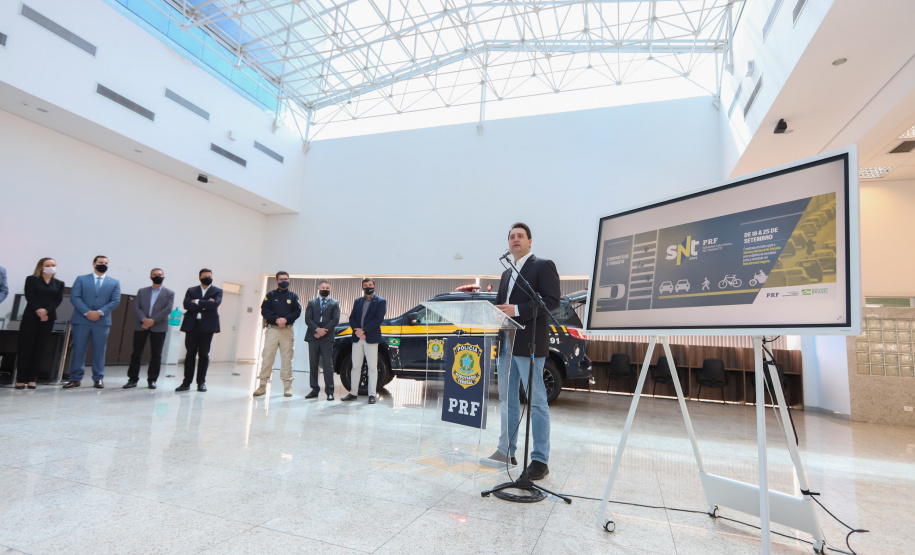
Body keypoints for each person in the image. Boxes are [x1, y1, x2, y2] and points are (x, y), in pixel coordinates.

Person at [483, 222, 560, 481]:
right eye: (512, 236)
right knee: (508, 400)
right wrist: (495, 313)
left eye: (520, 236)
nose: (515, 239)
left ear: (529, 241)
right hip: (507, 343)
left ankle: (540, 459)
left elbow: (552, 301)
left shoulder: (542, 265)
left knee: (536, 401)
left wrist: (516, 310)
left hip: (529, 343)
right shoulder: (506, 273)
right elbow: (500, 304)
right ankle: (506, 450)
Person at [64, 256, 121, 389]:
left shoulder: (114, 282)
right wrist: (87, 312)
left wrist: (99, 312)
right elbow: (75, 297)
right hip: (82, 320)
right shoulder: (81, 279)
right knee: (78, 350)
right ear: (94, 264)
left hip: (102, 321)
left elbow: (115, 301)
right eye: (100, 262)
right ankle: (75, 378)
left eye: (106, 263)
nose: (103, 264)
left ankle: (98, 378)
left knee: (100, 351)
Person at [15, 258, 64, 389]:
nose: (51, 267)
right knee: (25, 348)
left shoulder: (59, 283)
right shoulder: (32, 279)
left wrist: (46, 311)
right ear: (41, 267)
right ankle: (20, 379)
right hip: (31, 316)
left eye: (53, 265)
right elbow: (30, 296)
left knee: (40, 348)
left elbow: (58, 300)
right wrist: (39, 310)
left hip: (48, 319)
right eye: (48, 265)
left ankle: (32, 378)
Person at [123, 268, 175, 390]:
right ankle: (132, 379)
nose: (157, 276)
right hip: (141, 325)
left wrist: (152, 321)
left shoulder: (169, 293)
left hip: (159, 326)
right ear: (150, 277)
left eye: (159, 274)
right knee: (136, 353)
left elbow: (168, 309)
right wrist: (144, 320)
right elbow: (136, 307)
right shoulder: (142, 291)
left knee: (156, 354)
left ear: (163, 277)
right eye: (154, 275)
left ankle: (152, 380)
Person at [253, 271, 302, 398]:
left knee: (287, 359)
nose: (284, 281)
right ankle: (262, 385)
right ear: (276, 281)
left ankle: (287, 387)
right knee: (267, 357)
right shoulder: (270, 295)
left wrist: (286, 319)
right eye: (281, 279)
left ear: (289, 280)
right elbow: (264, 310)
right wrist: (276, 319)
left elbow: (297, 311)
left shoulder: (293, 296)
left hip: (287, 330)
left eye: (286, 279)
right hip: (272, 330)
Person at [341, 278, 386, 404]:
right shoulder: (358, 301)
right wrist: (357, 331)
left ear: (374, 287)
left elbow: (378, 319)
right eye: (365, 285)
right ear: (362, 288)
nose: (368, 287)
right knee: (355, 366)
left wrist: (364, 330)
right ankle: (353, 393)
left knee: (372, 367)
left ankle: (372, 394)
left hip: (371, 338)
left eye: (370, 285)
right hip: (357, 338)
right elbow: (352, 318)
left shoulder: (381, 301)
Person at [177, 269, 222, 392]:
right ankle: (186, 382)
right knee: (190, 354)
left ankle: (201, 382)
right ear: (199, 278)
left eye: (209, 276)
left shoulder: (217, 291)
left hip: (207, 326)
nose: (207, 278)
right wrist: (207, 303)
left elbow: (215, 304)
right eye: (204, 276)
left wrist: (196, 301)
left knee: (204, 355)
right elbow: (186, 305)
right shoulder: (192, 290)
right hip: (192, 325)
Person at [304, 280, 340, 400]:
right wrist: (317, 330)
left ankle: (330, 391)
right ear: (319, 288)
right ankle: (314, 390)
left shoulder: (335, 303)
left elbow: (335, 319)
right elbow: (308, 319)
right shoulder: (312, 302)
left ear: (330, 289)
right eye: (323, 287)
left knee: (327, 365)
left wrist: (323, 331)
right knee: (313, 364)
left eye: (327, 288)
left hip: (327, 337)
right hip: (313, 336)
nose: (325, 289)